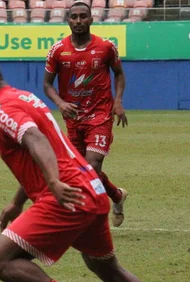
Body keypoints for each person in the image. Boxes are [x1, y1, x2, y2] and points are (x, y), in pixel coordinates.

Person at [0, 54, 176, 282]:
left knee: (0, 260)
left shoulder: (2, 109)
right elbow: (37, 151)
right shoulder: (25, 98)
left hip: (67, 195)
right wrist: (15, 203)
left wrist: (53, 184)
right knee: (108, 269)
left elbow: (36, 141)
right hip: (92, 190)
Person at [43, 1, 128, 227]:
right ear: (68, 21)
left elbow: (119, 74)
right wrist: (60, 103)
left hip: (100, 115)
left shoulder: (106, 47)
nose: (79, 21)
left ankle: (91, 218)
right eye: (74, 17)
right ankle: (116, 195)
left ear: (91, 20)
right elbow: (46, 85)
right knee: (80, 170)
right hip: (73, 119)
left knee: (92, 165)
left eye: (83, 16)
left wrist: (117, 101)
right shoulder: (58, 50)